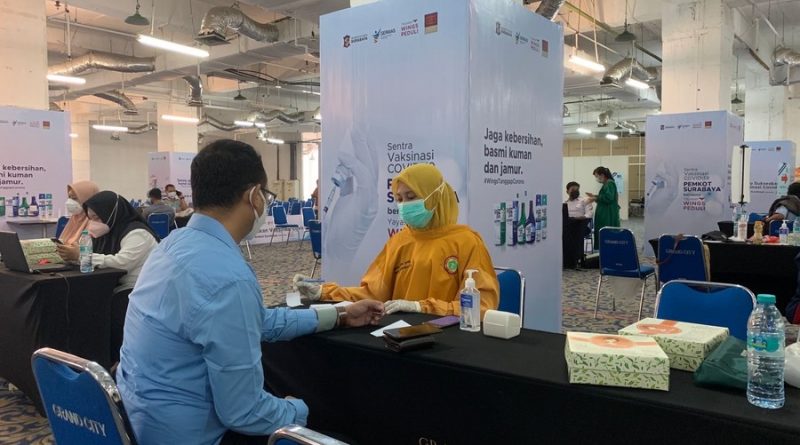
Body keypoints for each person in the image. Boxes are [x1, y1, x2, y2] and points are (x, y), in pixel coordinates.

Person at [116, 139, 384, 445]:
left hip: (138, 418)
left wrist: (339, 314)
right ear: (255, 196)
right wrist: (301, 409)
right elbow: (243, 412)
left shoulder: (171, 246)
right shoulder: (227, 277)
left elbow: (257, 320)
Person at [295, 163, 499, 317]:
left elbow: (481, 306)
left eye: (411, 197)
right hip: (402, 335)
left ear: (435, 197)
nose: (404, 205)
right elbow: (372, 293)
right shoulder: (399, 242)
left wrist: (422, 307)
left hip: (450, 340)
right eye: (400, 199)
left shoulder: (467, 242)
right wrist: (324, 292)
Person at [57, 190, 160, 362]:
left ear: (111, 214)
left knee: (107, 310)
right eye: (90, 218)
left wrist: (83, 256)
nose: (93, 223)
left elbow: (121, 262)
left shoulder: (137, 233)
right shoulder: (105, 232)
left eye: (97, 217)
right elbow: (95, 257)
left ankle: (113, 360)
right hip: (114, 285)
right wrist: (72, 255)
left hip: (139, 289)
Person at [585, 166, 620, 249]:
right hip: (605, 211)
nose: (597, 179)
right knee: (602, 231)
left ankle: (607, 249)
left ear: (602, 175)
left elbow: (609, 198)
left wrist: (595, 198)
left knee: (606, 232)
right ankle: (604, 249)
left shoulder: (610, 183)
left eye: (597, 176)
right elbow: (604, 197)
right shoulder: (606, 184)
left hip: (607, 213)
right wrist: (594, 196)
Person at [57, 180, 100, 247]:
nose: (69, 202)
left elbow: (86, 249)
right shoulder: (75, 218)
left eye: (74, 198)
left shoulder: (96, 223)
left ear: (88, 199)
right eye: (69, 197)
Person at [563, 182, 592, 269]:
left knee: (575, 230)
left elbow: (589, 214)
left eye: (577, 189)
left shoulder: (584, 200)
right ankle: (567, 261)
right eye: (573, 190)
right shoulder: (565, 203)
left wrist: (580, 218)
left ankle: (576, 259)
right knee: (564, 230)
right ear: (567, 191)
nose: (575, 191)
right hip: (568, 224)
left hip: (581, 223)